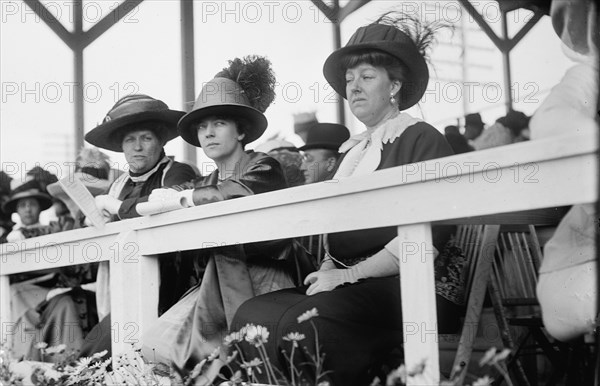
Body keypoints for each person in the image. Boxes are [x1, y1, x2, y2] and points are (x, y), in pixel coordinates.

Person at [232, 13, 460, 385]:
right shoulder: (352, 153)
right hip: (354, 283)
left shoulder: (420, 138)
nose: (353, 87)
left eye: (367, 77)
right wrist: (328, 269)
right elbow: (334, 230)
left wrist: (348, 275)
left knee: (307, 325)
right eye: (349, 79)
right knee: (251, 315)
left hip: (417, 283)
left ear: (395, 86)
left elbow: (429, 236)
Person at [141, 55, 311, 376]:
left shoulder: (264, 165)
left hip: (265, 276)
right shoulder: (204, 181)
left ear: (241, 131)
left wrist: (183, 198)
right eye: (202, 126)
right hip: (214, 280)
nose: (208, 133)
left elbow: (236, 193)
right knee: (155, 344)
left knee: (245, 357)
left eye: (218, 123)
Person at [79, 94, 196, 356]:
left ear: (160, 140)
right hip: (122, 284)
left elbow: (165, 202)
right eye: (130, 140)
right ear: (122, 146)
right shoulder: (118, 185)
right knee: (97, 352)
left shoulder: (178, 172)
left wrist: (116, 208)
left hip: (171, 284)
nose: (137, 147)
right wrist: (92, 221)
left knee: (97, 354)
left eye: (146, 138)